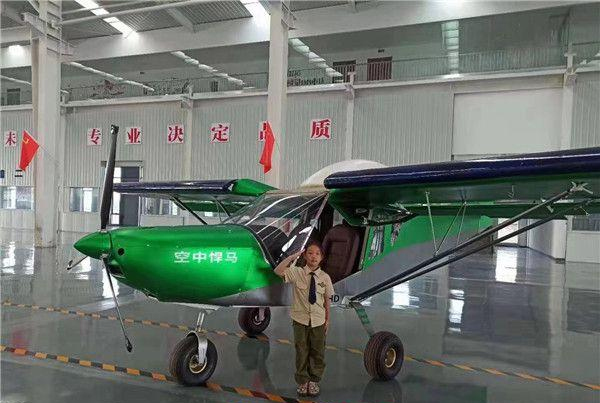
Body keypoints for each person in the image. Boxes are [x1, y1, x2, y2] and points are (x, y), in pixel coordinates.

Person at [274, 241, 334, 397]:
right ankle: (303, 381)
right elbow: (278, 271)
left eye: (317, 254)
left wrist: (327, 319)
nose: (314, 256)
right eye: (310, 253)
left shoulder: (325, 278)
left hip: (319, 320)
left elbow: (327, 300)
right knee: (301, 351)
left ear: (322, 257)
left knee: (318, 352)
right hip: (300, 320)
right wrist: (292, 257)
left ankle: (314, 381)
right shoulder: (297, 272)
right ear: (305, 256)